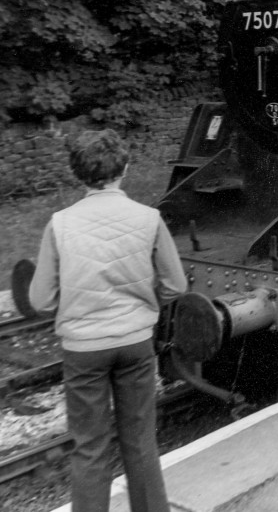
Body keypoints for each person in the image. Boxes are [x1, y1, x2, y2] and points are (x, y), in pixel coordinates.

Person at [29, 129, 187, 512]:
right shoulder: (148, 219)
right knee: (140, 442)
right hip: (134, 344)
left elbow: (40, 299)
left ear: (77, 174)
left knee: (89, 448)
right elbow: (176, 285)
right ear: (126, 168)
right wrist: (145, 305)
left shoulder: (60, 224)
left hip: (83, 352)